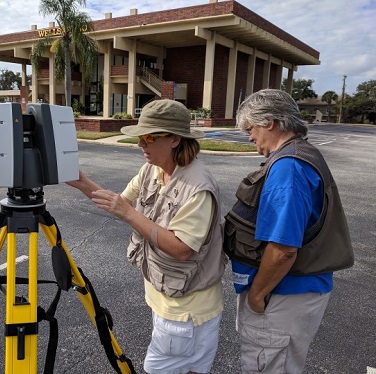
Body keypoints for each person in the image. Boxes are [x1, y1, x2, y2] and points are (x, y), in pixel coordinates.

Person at [67, 99, 227, 374]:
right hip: (168, 300)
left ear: (175, 139)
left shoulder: (198, 187)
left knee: (158, 369)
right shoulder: (152, 170)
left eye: (149, 137)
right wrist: (82, 182)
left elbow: (182, 249)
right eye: (141, 137)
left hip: (186, 310)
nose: (141, 143)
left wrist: (130, 215)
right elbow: (121, 202)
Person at [224, 89, 354, 374]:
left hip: (283, 293)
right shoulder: (303, 154)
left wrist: (257, 295)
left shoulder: (289, 167)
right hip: (298, 290)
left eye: (250, 128)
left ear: (269, 122)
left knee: (269, 366)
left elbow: (283, 250)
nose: (249, 137)